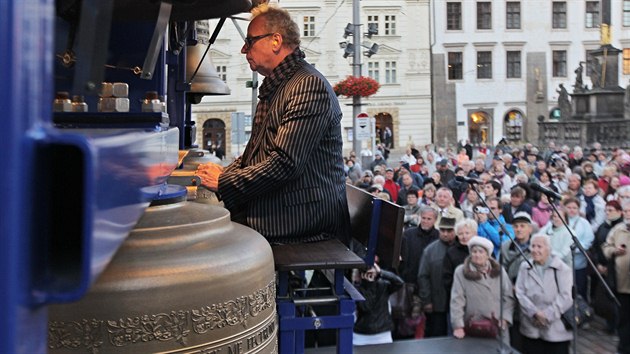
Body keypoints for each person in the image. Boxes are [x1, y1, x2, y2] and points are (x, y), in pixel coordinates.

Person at [196, 4, 349, 244]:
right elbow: (255, 154)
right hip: (292, 208)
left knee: (207, 240)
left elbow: (285, 163)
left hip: (303, 218)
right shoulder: (280, 85)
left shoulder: (307, 86)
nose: (243, 49)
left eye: (250, 40)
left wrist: (223, 182)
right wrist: (225, 173)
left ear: (276, 41)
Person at [515, 234, 573, 354]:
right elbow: (520, 292)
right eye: (533, 246)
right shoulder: (525, 267)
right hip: (531, 326)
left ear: (548, 249)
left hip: (556, 328)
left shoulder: (562, 269)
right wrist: (534, 313)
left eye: (539, 247)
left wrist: (546, 315)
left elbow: (566, 297)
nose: (535, 250)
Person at [450, 237, 514, 343]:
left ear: (488, 255)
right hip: (474, 326)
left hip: (498, 326)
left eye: (481, 252)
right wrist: (458, 326)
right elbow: (457, 300)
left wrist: (505, 318)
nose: (477, 255)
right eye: (474, 251)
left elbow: (508, 297)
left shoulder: (500, 271)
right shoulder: (461, 272)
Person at [418, 217, 457, 337]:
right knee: (436, 335)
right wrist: (427, 301)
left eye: (449, 231)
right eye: (442, 230)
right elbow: (423, 276)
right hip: (436, 304)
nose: (445, 234)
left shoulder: (461, 249)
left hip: (456, 303)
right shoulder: (430, 251)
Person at [602, 201, 630, 354]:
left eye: (629, 211)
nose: (627, 214)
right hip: (621, 283)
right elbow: (606, 247)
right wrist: (614, 251)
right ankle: (624, 347)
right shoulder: (617, 229)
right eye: (625, 211)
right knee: (624, 317)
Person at [353, 262, 404, 345]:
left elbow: (399, 283)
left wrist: (381, 272)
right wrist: (369, 284)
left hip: (382, 334)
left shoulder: (383, 285)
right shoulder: (357, 288)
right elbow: (366, 306)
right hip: (362, 335)